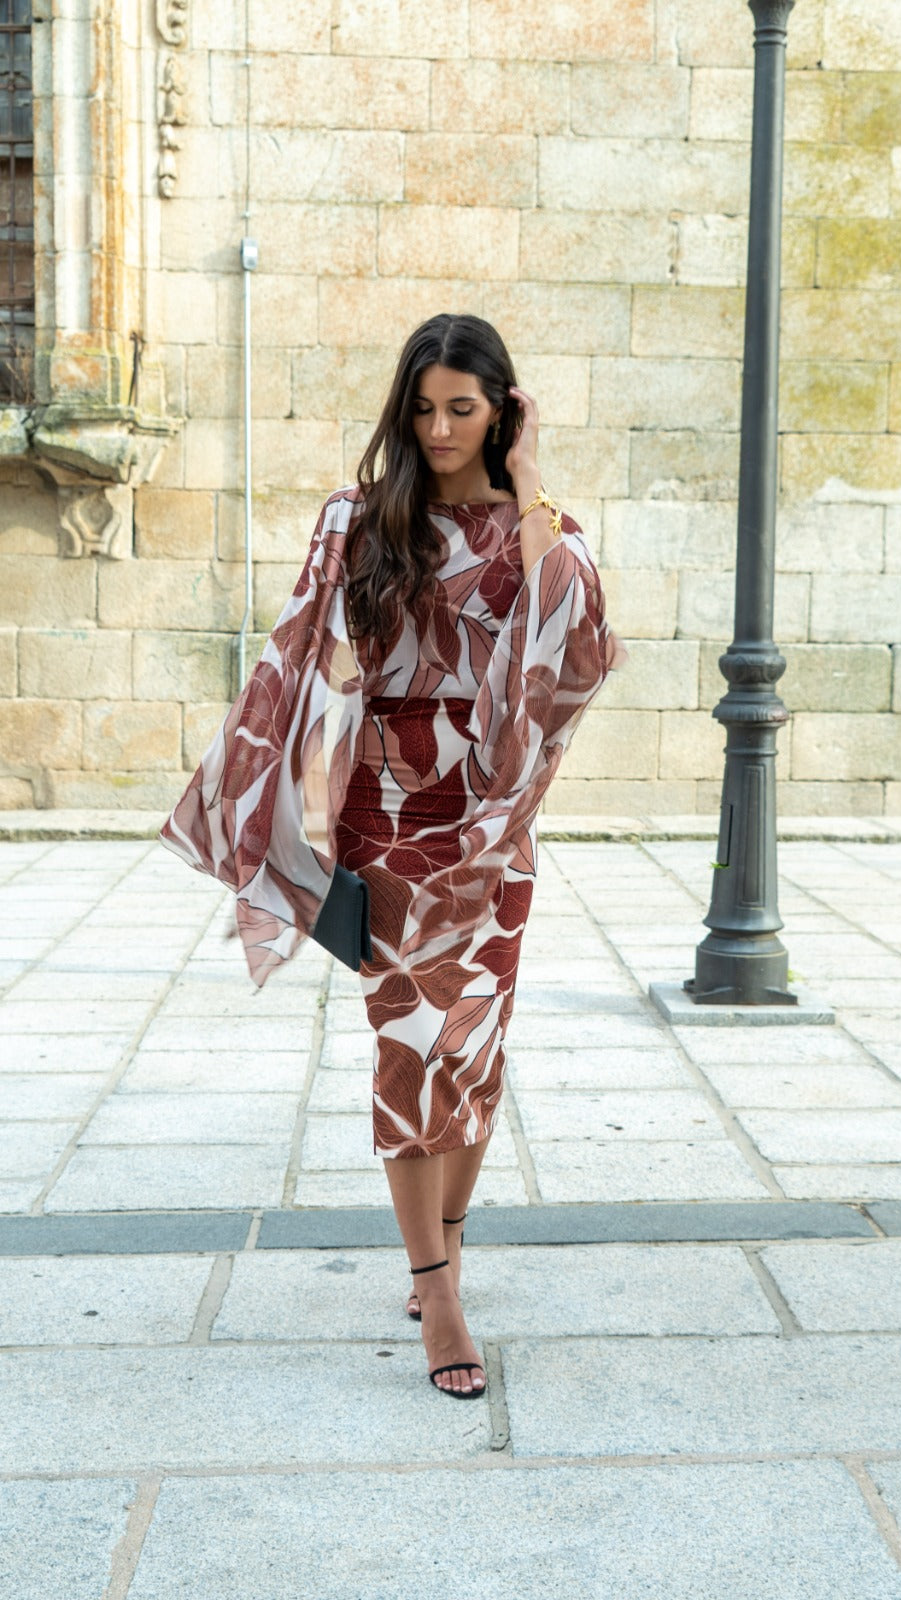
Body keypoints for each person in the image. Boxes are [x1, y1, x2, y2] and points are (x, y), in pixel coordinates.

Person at [160, 312, 624, 1399]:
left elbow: (578, 644)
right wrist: (286, 803)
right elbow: (298, 653)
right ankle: (437, 1289)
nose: (438, 428)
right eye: (422, 408)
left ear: (502, 410)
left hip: (494, 818)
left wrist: (531, 477)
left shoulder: (541, 526)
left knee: (475, 1044)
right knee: (410, 1045)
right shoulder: (361, 518)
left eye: (462, 407)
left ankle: (447, 1244)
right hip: (386, 815)